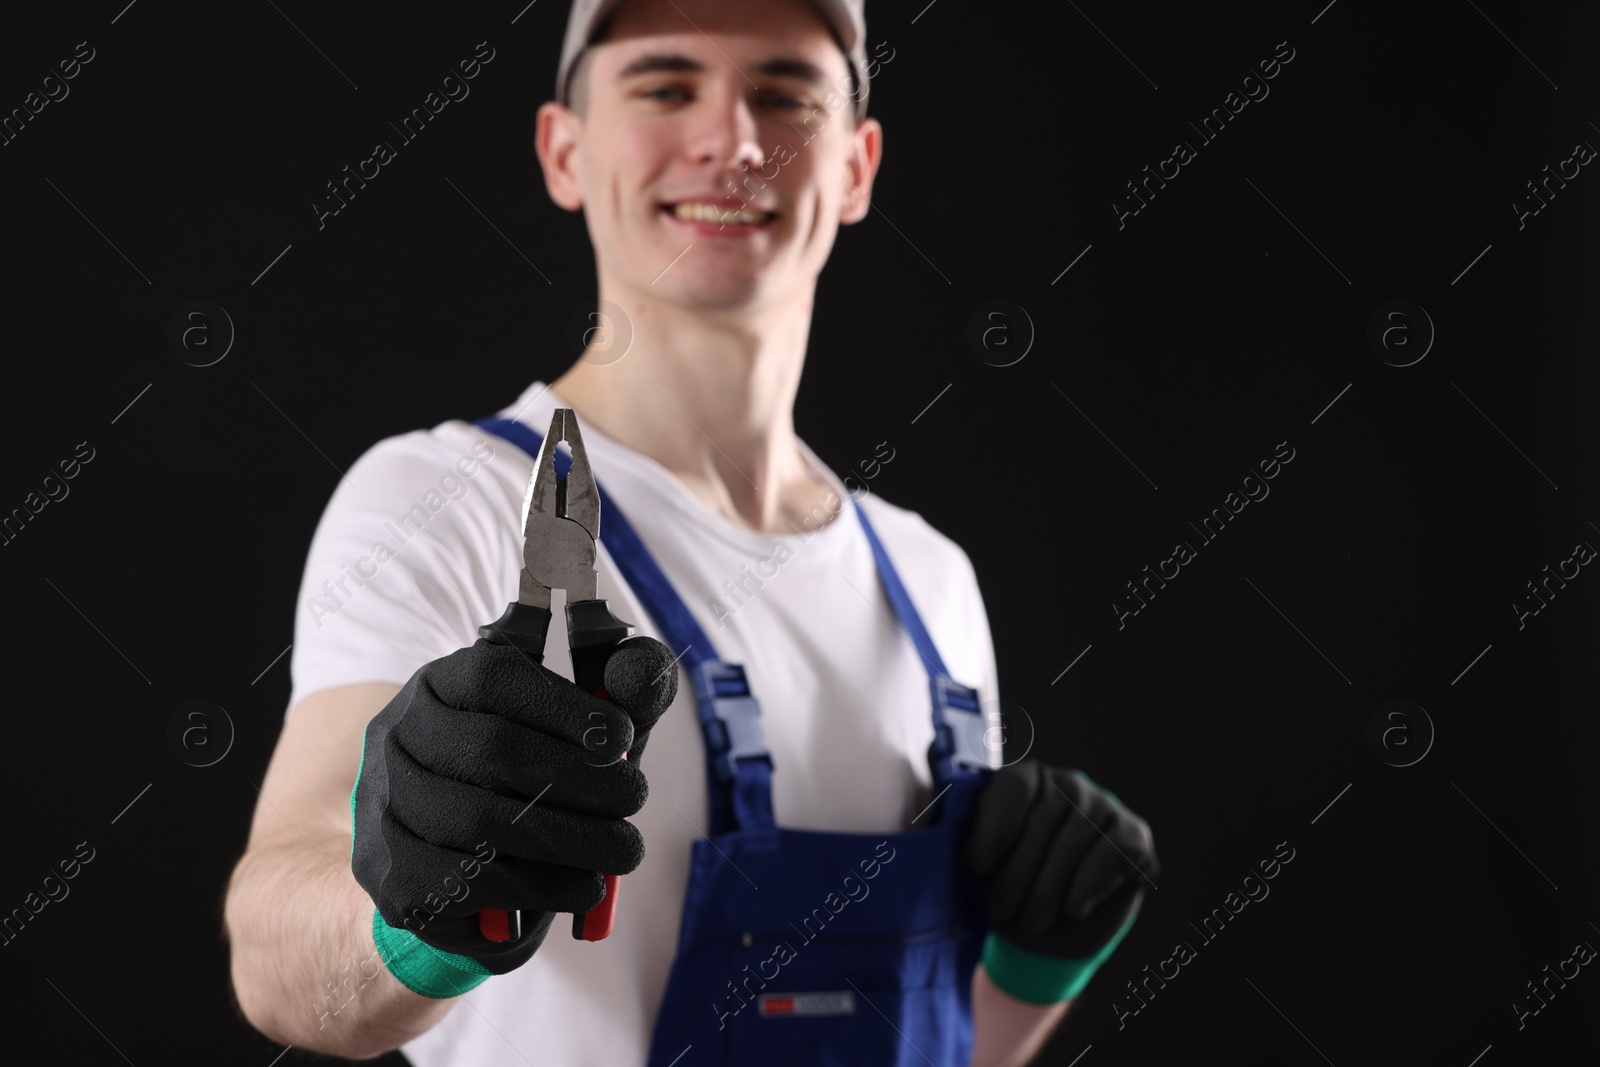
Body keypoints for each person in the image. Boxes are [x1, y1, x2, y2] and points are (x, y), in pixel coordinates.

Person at [222, 0, 1159, 1063]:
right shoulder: (444, 500)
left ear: (854, 168)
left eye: (784, 94)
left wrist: (1039, 966)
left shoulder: (931, 583)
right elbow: (276, 963)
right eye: (665, 87)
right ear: (564, 151)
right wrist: (409, 912)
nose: (733, 141)